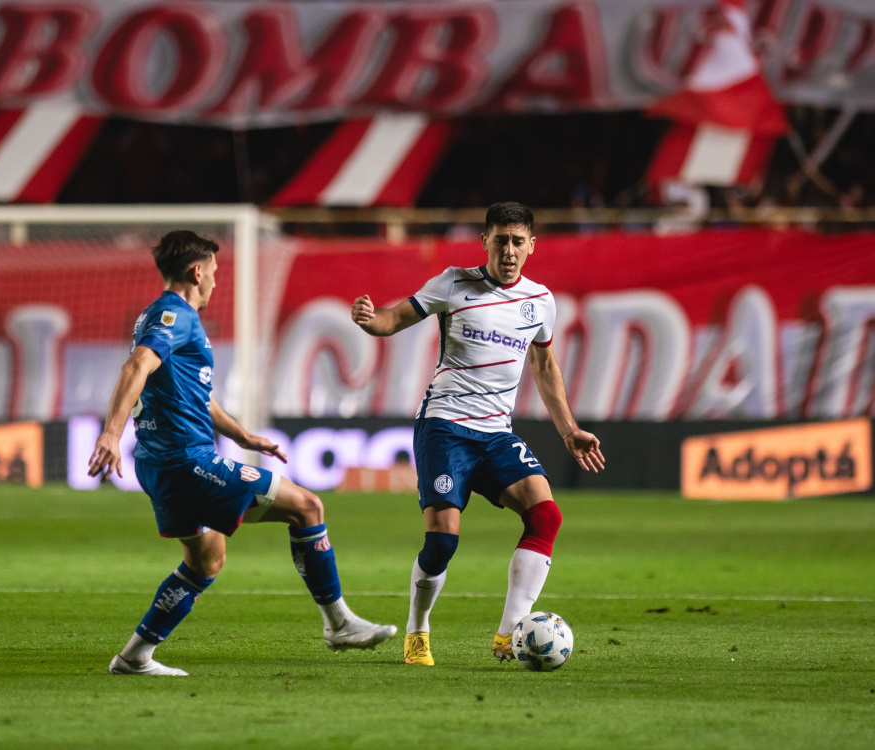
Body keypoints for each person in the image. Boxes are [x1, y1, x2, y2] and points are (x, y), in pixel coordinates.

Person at [89, 230, 396, 676]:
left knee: (205, 559)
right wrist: (110, 433)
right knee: (308, 507)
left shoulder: (157, 316)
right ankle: (340, 624)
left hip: (157, 463)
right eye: (214, 271)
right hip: (188, 460)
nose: (216, 280)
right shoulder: (175, 315)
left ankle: (135, 656)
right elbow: (137, 365)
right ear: (197, 271)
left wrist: (242, 436)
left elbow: (194, 395)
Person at [350, 202, 604, 666]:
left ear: (531, 246)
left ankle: (509, 635)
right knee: (443, 541)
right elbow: (395, 319)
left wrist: (569, 431)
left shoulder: (541, 302)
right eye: (501, 239)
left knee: (545, 516)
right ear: (485, 241)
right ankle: (417, 630)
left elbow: (545, 366)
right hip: (444, 427)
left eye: (517, 241)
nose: (509, 250)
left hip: (496, 434)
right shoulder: (453, 283)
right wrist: (371, 319)